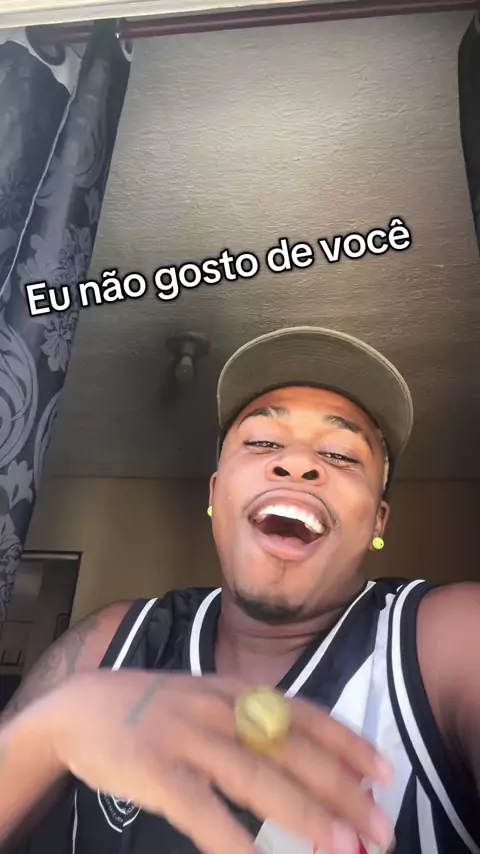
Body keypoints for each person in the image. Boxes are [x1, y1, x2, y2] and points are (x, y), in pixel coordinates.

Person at [0, 325, 479, 854]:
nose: (298, 463)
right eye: (262, 442)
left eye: (341, 454)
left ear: (378, 522)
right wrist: (48, 733)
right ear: (214, 494)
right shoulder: (111, 643)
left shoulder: (451, 639)